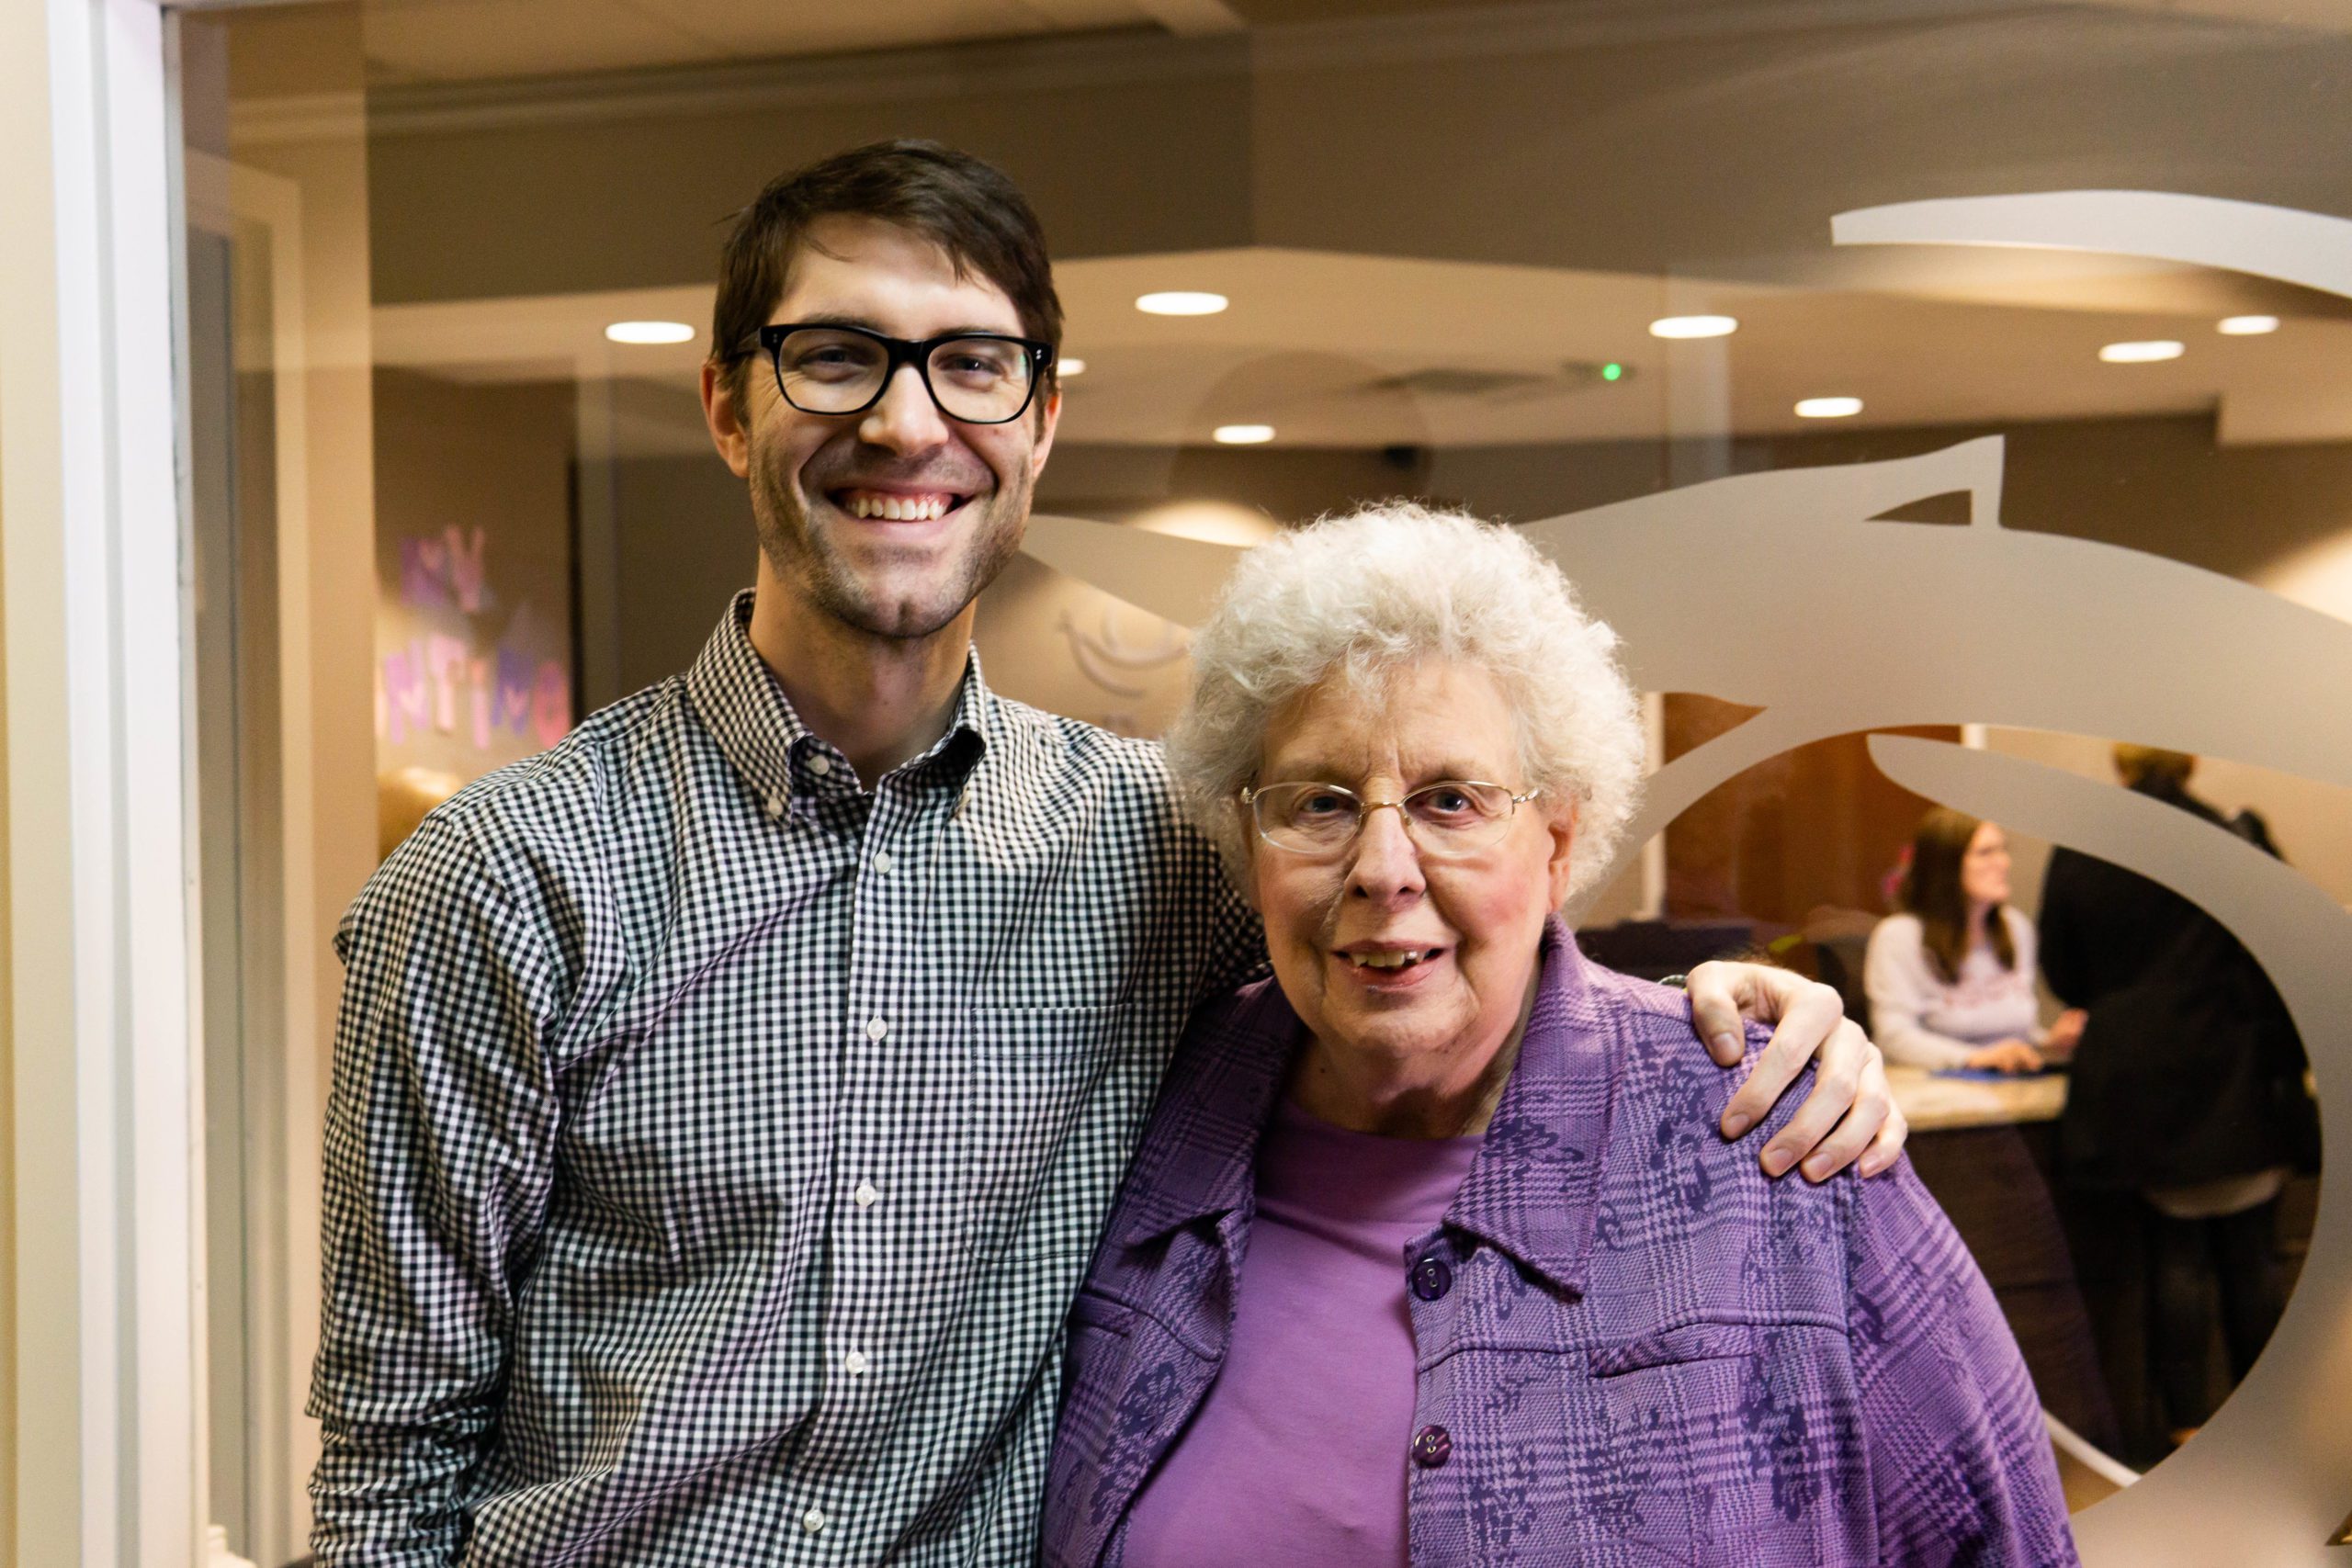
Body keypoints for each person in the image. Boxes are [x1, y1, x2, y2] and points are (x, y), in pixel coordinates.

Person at [306, 141, 1903, 1564]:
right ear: (730, 405)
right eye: (837, 355)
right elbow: (391, 1475)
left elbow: (1429, 943)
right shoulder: (504, 879)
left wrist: (1745, 1006)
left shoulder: (1160, 848)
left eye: (972, 364)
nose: (906, 417)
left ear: (1043, 422)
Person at [1043, 504, 2071, 1567]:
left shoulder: (1772, 1144)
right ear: (1246, 838)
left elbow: (2004, 1541)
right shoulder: (1147, 1111)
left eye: (1450, 800)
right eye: (1319, 803)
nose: (1383, 868)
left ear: (1559, 839)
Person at [2041, 745, 2315, 1444]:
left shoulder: (2084, 846)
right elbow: (2287, 943)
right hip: (2234, 1069)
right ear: (2190, 754)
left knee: (2176, 1258)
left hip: (2140, 1082)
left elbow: (2064, 971)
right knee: (2254, 1255)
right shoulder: (2232, 838)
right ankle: (2272, 1428)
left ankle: (2186, 1430)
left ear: (2120, 759)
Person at [1863, 808, 2086, 1074]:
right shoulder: (1899, 937)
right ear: (1945, 865)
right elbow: (1894, 1037)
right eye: (1985, 853)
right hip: (1934, 1095)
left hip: (2007, 1089)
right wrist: (1975, 1057)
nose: (2003, 862)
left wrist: (2048, 1043)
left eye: (2002, 850)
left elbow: (2017, 1032)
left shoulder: (2015, 928)